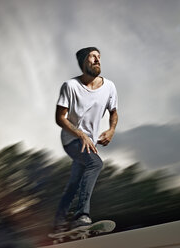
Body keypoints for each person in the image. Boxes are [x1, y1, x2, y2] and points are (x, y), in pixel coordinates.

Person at [54, 47, 118, 233]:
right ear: (84, 62)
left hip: (90, 142)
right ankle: (81, 216)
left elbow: (114, 112)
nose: (97, 60)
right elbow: (60, 117)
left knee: (74, 183)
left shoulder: (109, 87)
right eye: (93, 57)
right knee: (95, 164)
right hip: (71, 139)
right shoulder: (70, 86)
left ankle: (58, 226)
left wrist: (111, 130)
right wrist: (80, 134)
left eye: (99, 57)